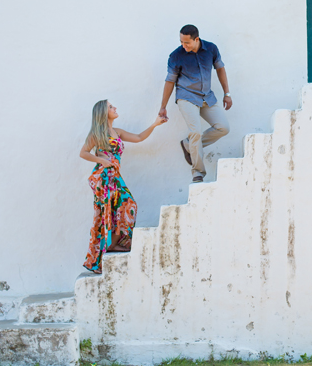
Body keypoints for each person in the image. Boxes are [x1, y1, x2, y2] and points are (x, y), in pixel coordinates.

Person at [79, 100, 166, 274]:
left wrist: (155, 124)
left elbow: (139, 137)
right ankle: (101, 257)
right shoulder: (97, 134)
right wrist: (101, 160)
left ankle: (112, 244)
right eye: (111, 107)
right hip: (104, 178)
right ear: (103, 113)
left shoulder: (117, 132)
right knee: (107, 214)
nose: (115, 108)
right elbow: (83, 153)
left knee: (128, 205)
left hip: (115, 177)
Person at [159, 24, 232, 183]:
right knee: (195, 132)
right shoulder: (176, 56)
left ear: (196, 39)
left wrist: (227, 93)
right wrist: (163, 106)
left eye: (187, 43)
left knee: (223, 127)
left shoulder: (211, 49)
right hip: (186, 96)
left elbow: (220, 69)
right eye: (181, 42)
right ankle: (197, 173)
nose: (183, 46)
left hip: (207, 96)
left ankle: (189, 144)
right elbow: (170, 81)